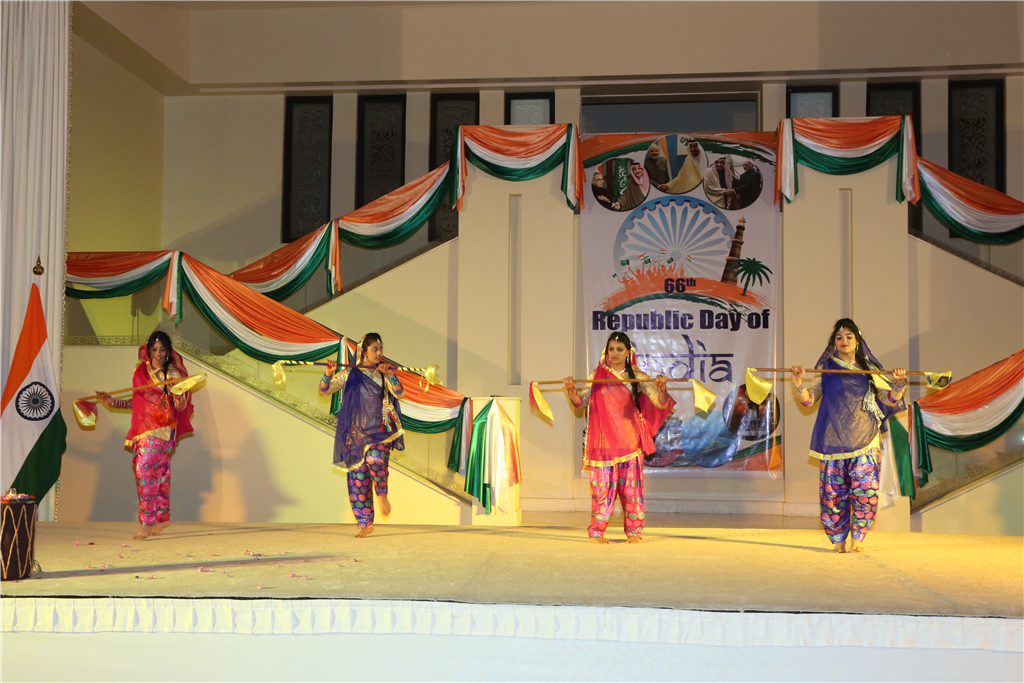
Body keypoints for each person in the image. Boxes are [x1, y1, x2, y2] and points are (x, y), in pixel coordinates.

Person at [791, 319, 907, 553]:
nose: (843, 341)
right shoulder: (827, 369)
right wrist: (798, 384)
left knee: (866, 490)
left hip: (866, 439)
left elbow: (888, 399)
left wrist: (898, 385)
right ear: (833, 342)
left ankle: (859, 537)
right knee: (833, 494)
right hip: (833, 441)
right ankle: (838, 540)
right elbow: (809, 400)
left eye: (848, 336)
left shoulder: (870, 370)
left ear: (857, 340)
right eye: (839, 337)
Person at [563, 332, 675, 544]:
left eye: (619, 349)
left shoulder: (637, 376)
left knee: (631, 492)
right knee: (602, 491)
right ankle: (597, 532)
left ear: (628, 352)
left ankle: (634, 532)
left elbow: (660, 402)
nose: (615, 353)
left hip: (629, 444)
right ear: (606, 351)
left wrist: (662, 389)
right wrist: (571, 393)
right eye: (611, 349)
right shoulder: (597, 375)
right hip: (603, 445)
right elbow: (581, 403)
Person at [97, 331, 194, 541]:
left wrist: (179, 398)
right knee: (158, 474)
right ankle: (162, 518)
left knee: (144, 471)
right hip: (142, 429)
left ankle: (147, 522)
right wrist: (113, 402)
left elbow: (180, 405)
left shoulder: (173, 374)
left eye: (162, 349)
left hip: (162, 430)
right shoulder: (140, 370)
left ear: (168, 352)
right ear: (148, 350)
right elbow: (138, 403)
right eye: (154, 349)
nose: (158, 354)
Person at [319, 333, 404, 538]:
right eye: (374, 349)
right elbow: (324, 391)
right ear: (363, 352)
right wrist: (328, 374)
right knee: (358, 480)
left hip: (379, 432)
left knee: (375, 459)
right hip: (355, 435)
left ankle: (382, 495)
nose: (379, 352)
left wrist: (391, 375)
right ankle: (365, 523)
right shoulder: (349, 374)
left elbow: (400, 393)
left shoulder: (384, 373)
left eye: (381, 349)